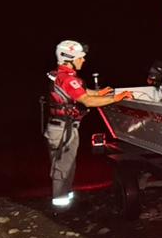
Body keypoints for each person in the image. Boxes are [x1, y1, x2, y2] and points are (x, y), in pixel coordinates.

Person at [46, 40, 132, 210]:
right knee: (63, 167)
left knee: (67, 165)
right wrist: (116, 98)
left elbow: (80, 92)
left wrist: (99, 93)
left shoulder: (63, 76)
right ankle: (60, 207)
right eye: (80, 57)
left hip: (64, 127)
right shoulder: (67, 78)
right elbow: (87, 100)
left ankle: (65, 200)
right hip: (64, 129)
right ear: (69, 59)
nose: (83, 60)